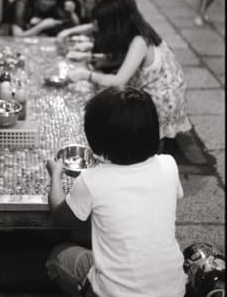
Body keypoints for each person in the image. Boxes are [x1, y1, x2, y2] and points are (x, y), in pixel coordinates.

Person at [45, 86, 187, 297]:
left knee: (57, 256)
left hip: (112, 293)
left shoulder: (93, 179)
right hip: (174, 291)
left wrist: (55, 174)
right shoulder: (169, 166)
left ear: (97, 140)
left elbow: (59, 217)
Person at [60, 0, 192, 148]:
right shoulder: (137, 29)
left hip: (163, 102)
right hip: (169, 94)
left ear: (114, 23)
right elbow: (123, 59)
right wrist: (90, 57)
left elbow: (119, 81)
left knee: (114, 113)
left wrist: (84, 75)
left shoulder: (139, 41)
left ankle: (150, 152)